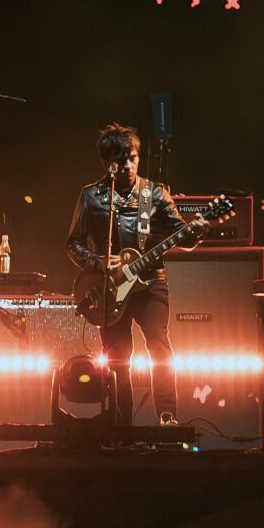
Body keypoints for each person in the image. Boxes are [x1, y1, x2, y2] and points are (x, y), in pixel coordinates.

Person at [65, 123, 190, 425]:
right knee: (118, 356)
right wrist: (97, 262)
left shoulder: (155, 193)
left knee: (159, 344)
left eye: (133, 158)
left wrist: (195, 231)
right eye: (121, 161)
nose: (129, 166)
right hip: (110, 286)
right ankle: (121, 422)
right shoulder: (91, 196)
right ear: (108, 163)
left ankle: (167, 415)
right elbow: (72, 244)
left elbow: (183, 236)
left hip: (150, 282)